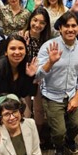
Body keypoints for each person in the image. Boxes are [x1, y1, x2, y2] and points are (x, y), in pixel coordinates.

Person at [36, 11, 78, 155]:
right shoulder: (49, 46)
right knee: (58, 132)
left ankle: (69, 140)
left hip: (72, 94)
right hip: (52, 95)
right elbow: (37, 76)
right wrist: (50, 62)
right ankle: (59, 146)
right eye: (66, 26)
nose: (70, 29)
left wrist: (77, 97)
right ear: (60, 28)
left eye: (74, 26)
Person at [19, 8, 53, 144]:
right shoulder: (21, 36)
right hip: (24, 77)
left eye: (42, 23)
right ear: (30, 20)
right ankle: (27, 138)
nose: (38, 25)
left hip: (40, 78)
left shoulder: (47, 41)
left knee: (39, 110)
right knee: (25, 110)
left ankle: (37, 136)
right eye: (35, 20)